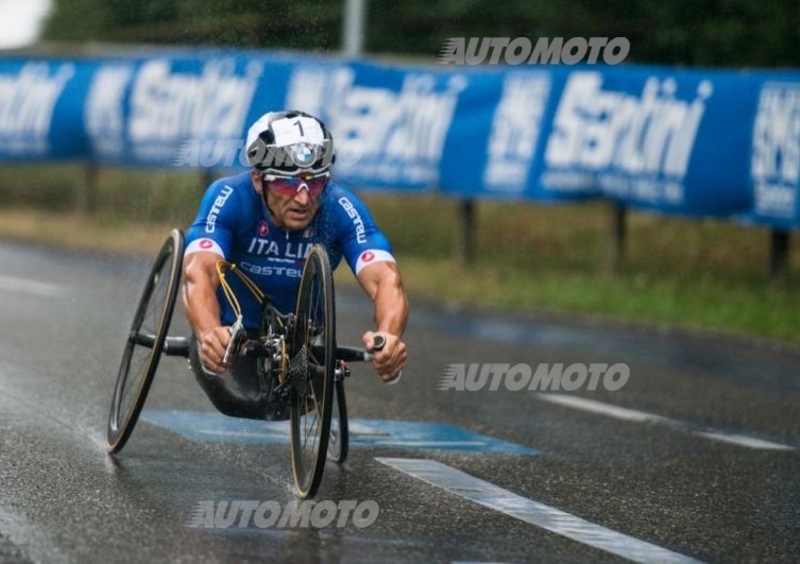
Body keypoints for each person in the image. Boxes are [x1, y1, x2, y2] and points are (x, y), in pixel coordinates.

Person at [181, 110, 408, 419]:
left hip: (301, 338)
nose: (303, 200)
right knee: (242, 400)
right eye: (289, 185)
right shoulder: (230, 197)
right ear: (259, 179)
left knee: (285, 405)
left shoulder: (339, 207)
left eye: (315, 184)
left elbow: (385, 278)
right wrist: (208, 332)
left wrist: (389, 336)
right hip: (230, 333)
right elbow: (199, 271)